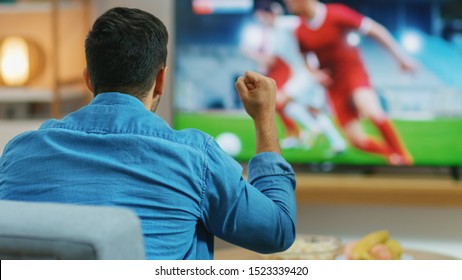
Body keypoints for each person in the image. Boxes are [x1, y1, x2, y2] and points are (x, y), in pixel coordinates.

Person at [0, 7, 296, 260]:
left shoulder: (18, 153)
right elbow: (278, 231)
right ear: (161, 80)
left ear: (89, 79)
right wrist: (264, 118)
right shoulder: (195, 157)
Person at [283, 0, 418, 165]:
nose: (287, 5)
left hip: (353, 72)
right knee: (356, 141)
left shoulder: (336, 13)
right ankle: (393, 156)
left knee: (368, 107)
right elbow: (304, 57)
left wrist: (401, 59)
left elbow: (376, 30)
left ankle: (404, 158)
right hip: (333, 85)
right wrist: (315, 73)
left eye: (289, 1)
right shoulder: (300, 30)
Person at [241, 1, 347, 154]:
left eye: (261, 17)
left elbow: (310, 31)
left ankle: (312, 130)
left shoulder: (288, 23)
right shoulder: (271, 35)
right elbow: (269, 60)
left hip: (308, 73)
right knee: (310, 109)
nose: (260, 21)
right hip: (301, 74)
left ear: (268, 14)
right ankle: (338, 143)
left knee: (281, 101)